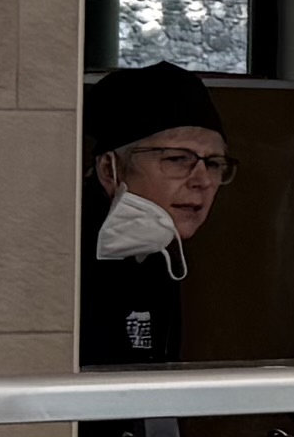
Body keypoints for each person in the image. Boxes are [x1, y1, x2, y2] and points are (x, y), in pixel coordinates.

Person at [80, 64, 235, 377]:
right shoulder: (64, 261)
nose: (202, 181)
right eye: (177, 159)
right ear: (109, 170)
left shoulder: (159, 254)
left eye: (213, 163)